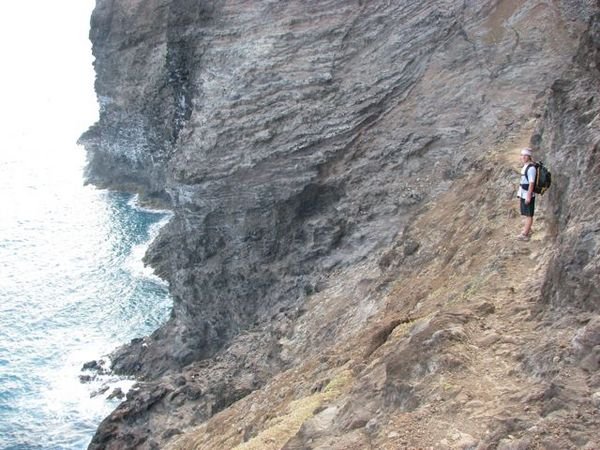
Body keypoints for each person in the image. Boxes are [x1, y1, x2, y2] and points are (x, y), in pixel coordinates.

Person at [517, 148, 536, 241]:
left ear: (529, 157)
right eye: (522, 155)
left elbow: (531, 183)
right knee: (525, 213)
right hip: (523, 193)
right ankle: (528, 229)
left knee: (529, 214)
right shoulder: (525, 166)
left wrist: (529, 195)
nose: (523, 157)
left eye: (525, 155)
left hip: (528, 194)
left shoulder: (531, 168)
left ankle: (525, 234)